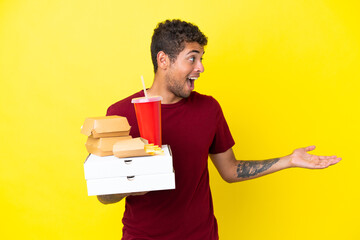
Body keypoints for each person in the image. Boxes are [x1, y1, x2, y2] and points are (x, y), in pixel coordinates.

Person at [97, 19, 341, 240]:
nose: (200, 67)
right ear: (163, 60)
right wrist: (132, 184)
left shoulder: (208, 109)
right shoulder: (121, 115)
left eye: (202, 58)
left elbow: (230, 170)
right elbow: (104, 195)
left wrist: (288, 160)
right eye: (192, 58)